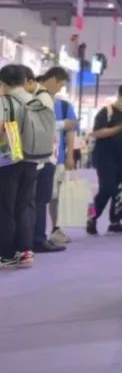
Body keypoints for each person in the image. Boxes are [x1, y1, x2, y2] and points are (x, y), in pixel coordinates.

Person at [87, 83, 122, 237]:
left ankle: (115, 222)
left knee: (121, 191)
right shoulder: (106, 112)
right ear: (119, 96)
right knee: (106, 189)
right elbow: (96, 133)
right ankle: (91, 217)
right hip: (105, 158)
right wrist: (117, 129)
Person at [1, 65, 36, 269]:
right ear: (24, 81)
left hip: (8, 159)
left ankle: (5, 254)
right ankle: (25, 251)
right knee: (23, 206)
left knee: (5, 207)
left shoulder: (4, 102)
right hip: (32, 159)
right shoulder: (35, 100)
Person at [32, 67, 71, 254]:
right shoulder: (41, 97)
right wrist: (61, 124)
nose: (60, 89)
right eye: (61, 85)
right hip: (41, 156)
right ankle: (37, 239)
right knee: (39, 199)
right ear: (54, 79)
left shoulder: (44, 96)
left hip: (44, 155)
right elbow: (38, 125)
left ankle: (36, 237)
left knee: (40, 199)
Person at [48, 87, 79, 245]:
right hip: (34, 158)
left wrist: (70, 156)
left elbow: (71, 132)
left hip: (57, 159)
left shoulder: (65, 106)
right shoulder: (31, 103)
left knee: (55, 197)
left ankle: (56, 229)